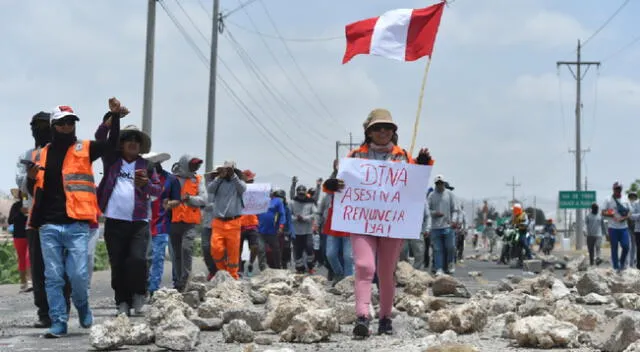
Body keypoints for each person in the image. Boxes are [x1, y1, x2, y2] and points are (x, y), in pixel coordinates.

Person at [322, 108, 433, 338]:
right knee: (364, 266)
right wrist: (330, 185)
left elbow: (415, 185)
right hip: (361, 221)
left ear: (393, 131)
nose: (383, 131)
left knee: (386, 270)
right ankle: (362, 315)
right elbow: (337, 184)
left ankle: (385, 318)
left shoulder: (403, 156)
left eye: (388, 128)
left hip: (392, 223)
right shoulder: (354, 157)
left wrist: (423, 164)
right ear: (368, 132)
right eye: (378, 128)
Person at [26, 99, 124, 338]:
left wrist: (115, 117)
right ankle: (58, 321)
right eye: (62, 123)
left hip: (77, 224)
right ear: (53, 126)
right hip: (48, 225)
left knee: (78, 275)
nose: (67, 126)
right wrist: (30, 177)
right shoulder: (40, 155)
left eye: (71, 122)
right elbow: (34, 189)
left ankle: (82, 306)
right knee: (53, 276)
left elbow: (112, 146)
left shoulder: (85, 149)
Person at [96, 122, 162, 316]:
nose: (133, 143)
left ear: (141, 145)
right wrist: (109, 121)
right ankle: (122, 302)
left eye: (136, 140)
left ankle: (139, 293)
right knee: (117, 262)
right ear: (121, 143)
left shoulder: (147, 165)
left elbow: (158, 191)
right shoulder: (111, 160)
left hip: (138, 223)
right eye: (128, 139)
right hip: (114, 221)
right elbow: (100, 138)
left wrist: (147, 184)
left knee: (138, 260)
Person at [16, 111, 71, 328]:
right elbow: (22, 184)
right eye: (36, 126)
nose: (39, 130)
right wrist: (30, 176)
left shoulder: (65, 153)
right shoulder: (27, 155)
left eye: (43, 125)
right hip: (37, 222)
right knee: (39, 270)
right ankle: (45, 313)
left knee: (62, 269)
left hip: (63, 218)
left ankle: (62, 309)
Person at [144, 152, 181, 296]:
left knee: (158, 257)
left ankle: (153, 288)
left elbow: (177, 200)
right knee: (144, 258)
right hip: (143, 224)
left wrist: (169, 204)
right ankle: (143, 285)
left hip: (161, 223)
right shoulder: (141, 177)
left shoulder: (171, 179)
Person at [170, 155, 207, 291]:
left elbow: (204, 199)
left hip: (189, 223)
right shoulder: (173, 178)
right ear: (185, 164)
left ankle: (185, 279)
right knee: (176, 253)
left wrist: (190, 199)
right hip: (173, 221)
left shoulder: (198, 180)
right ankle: (179, 282)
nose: (196, 167)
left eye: (197, 165)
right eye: (193, 165)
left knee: (186, 248)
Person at [208, 161, 247, 279]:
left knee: (233, 252)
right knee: (216, 249)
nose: (228, 171)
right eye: (226, 169)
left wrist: (233, 175)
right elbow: (210, 189)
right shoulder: (218, 181)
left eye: (230, 169)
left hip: (234, 222)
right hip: (218, 221)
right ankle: (223, 271)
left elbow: (243, 189)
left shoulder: (238, 182)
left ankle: (233, 276)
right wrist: (220, 176)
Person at [428, 175, 457, 276]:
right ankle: (439, 268)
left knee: (450, 247)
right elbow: (427, 210)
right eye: (437, 183)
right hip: (435, 227)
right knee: (437, 249)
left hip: (448, 226)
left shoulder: (449, 194)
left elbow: (455, 210)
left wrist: (453, 221)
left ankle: (450, 263)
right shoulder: (431, 195)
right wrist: (434, 213)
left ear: (444, 183)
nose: (439, 185)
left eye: (441, 183)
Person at [602, 182, 631, 272]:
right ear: (613, 189)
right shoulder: (608, 199)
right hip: (613, 227)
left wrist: (624, 218)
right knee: (614, 247)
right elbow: (603, 212)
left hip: (624, 227)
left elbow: (630, 212)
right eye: (616, 188)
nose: (618, 190)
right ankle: (615, 267)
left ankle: (622, 263)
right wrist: (612, 215)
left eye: (619, 188)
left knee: (626, 246)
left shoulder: (625, 198)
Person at [290, 183, 317, 274]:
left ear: (305, 193)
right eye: (299, 194)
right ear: (297, 193)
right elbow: (288, 215)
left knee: (309, 248)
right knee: (298, 250)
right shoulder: (292, 202)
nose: (301, 196)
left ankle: (310, 266)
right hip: (296, 231)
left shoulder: (311, 202)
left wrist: (305, 218)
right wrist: (296, 218)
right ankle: (299, 268)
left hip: (307, 231)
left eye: (303, 194)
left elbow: (315, 214)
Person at [8, 189, 32, 293]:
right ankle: (23, 283)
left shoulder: (33, 203)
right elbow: (10, 221)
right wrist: (20, 212)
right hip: (19, 235)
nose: (24, 194)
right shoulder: (16, 206)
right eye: (22, 192)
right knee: (22, 258)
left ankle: (31, 282)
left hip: (31, 233)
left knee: (29, 256)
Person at [239, 170, 260, 276]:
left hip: (253, 223)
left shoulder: (257, 193)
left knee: (255, 246)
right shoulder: (238, 191)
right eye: (250, 180)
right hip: (240, 224)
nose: (252, 182)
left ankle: (251, 263)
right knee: (239, 249)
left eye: (252, 180)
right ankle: (240, 267)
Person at [201, 168, 220, 280]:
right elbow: (202, 201)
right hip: (207, 223)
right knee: (206, 248)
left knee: (218, 249)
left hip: (220, 223)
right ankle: (212, 270)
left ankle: (219, 270)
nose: (215, 177)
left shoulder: (224, 189)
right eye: (214, 175)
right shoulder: (206, 189)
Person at [628, 192, 639, 268]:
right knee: (630, 246)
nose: (632, 198)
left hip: (635, 227)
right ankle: (630, 263)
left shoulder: (636, 204)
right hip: (629, 227)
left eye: (634, 196)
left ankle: (633, 262)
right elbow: (629, 216)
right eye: (631, 197)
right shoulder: (627, 205)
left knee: (635, 247)